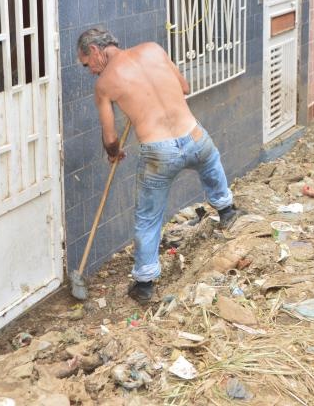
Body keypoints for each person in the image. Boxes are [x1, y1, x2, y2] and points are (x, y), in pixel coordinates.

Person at [77, 28, 242, 304]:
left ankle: (144, 284)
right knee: (211, 161)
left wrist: (114, 153)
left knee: (148, 217)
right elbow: (185, 88)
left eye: (86, 64)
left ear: (94, 51)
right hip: (193, 136)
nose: (90, 71)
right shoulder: (153, 48)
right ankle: (227, 210)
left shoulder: (105, 83)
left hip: (159, 151)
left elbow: (110, 137)